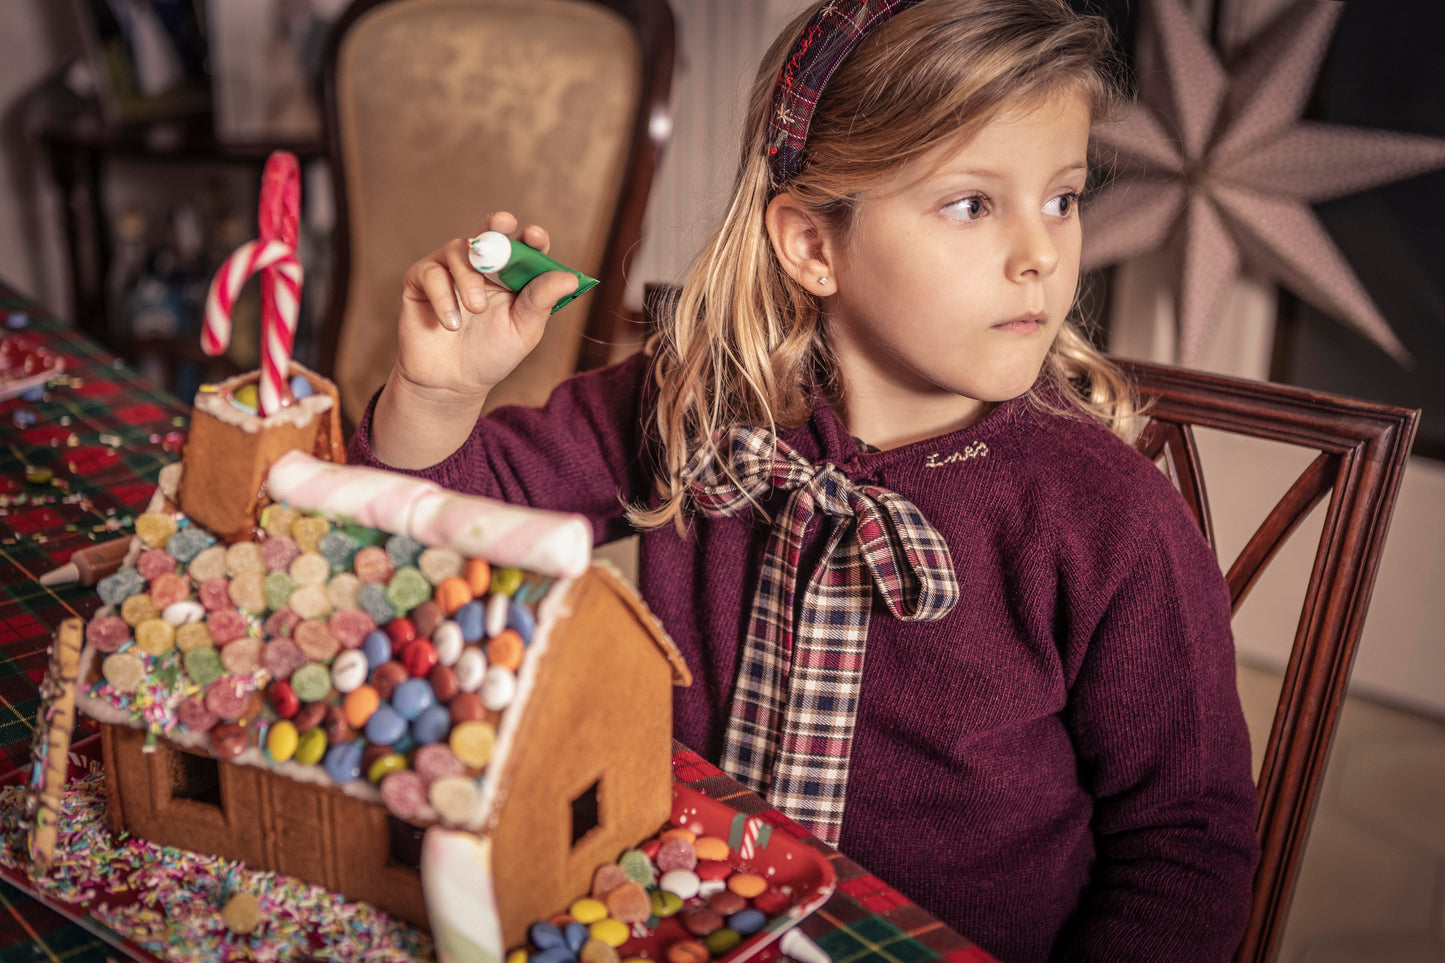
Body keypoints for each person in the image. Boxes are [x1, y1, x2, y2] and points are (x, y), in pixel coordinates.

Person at [348, 1, 1261, 959]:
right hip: (680, 922)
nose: (1041, 253)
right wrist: (437, 395)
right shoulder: (694, 398)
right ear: (812, 246)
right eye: (971, 203)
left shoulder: (1108, 516)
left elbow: (1186, 848)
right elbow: (429, 532)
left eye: (1063, 198)